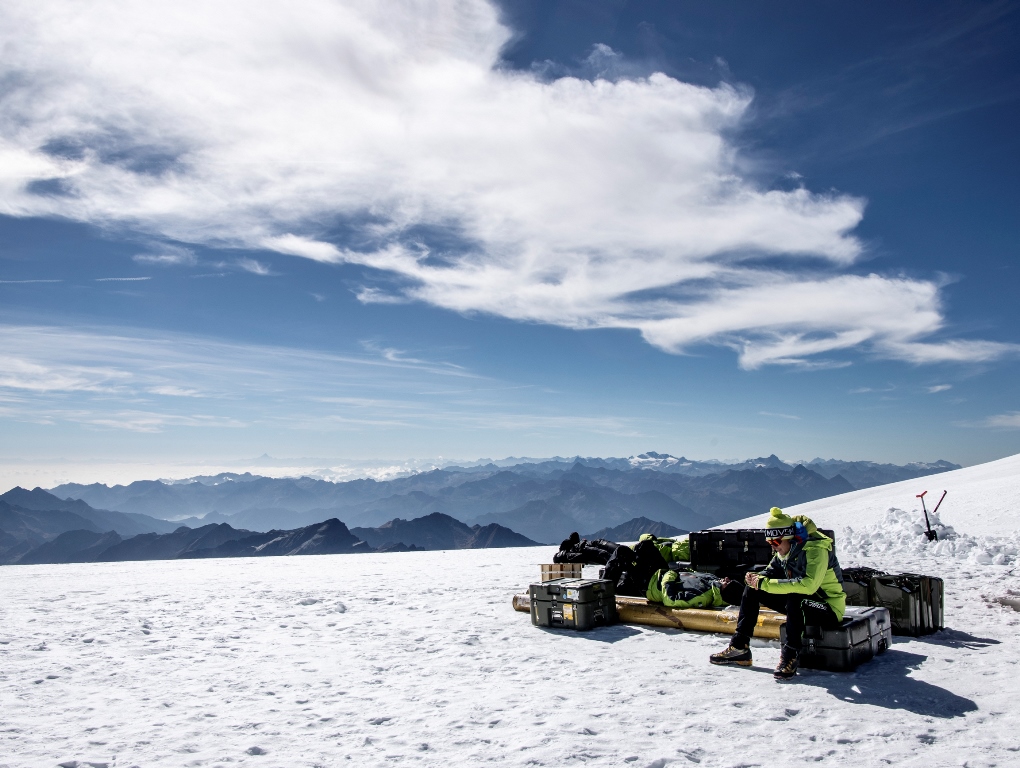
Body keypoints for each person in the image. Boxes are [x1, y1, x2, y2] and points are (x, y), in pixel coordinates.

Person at [709, 507, 846, 680]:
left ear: (790, 538)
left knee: (797, 598)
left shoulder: (816, 550)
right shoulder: (785, 552)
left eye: (776, 543)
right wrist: (754, 579)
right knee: (754, 588)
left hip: (828, 608)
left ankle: (789, 657)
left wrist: (765, 583)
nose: (774, 548)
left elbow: (809, 586)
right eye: (770, 544)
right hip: (800, 604)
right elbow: (768, 574)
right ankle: (739, 647)